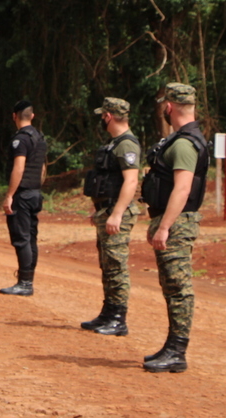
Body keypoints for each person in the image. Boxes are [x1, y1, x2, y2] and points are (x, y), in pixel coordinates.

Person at [139, 82, 209, 373]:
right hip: (173, 221)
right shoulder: (180, 139)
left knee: (178, 287)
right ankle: (172, 347)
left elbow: (182, 189)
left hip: (178, 223)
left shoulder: (183, 144)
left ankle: (177, 351)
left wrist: (164, 227)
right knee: (171, 285)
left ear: (169, 107)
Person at [80, 97, 141, 336]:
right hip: (106, 211)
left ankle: (118, 318)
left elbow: (131, 181)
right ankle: (108, 313)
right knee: (107, 265)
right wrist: (100, 209)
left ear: (108, 116)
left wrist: (116, 214)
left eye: (102, 116)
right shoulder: (114, 144)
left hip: (117, 213)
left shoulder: (126, 145)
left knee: (116, 266)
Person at [0, 100, 48, 296]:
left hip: (23, 195)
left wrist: (10, 195)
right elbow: (42, 168)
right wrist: (36, 187)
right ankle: (28, 280)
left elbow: (19, 168)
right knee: (31, 238)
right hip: (35, 193)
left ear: (14, 116)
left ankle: (24, 283)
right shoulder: (39, 138)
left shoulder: (20, 139)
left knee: (21, 239)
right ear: (32, 116)